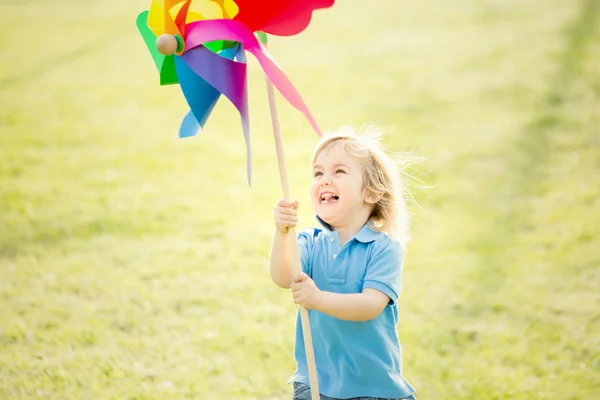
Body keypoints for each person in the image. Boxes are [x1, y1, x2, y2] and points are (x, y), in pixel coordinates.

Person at [269, 126, 418, 400]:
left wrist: (318, 299)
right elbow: (283, 276)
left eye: (339, 171)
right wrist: (281, 233)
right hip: (316, 381)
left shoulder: (383, 249)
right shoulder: (309, 241)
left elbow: (370, 305)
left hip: (372, 388)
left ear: (371, 192)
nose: (325, 179)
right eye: (318, 173)